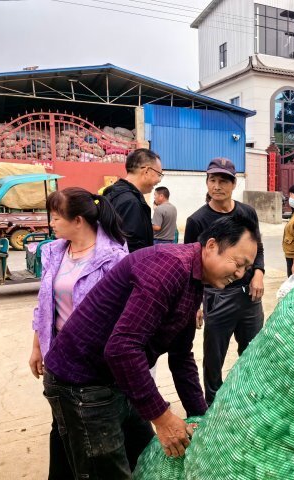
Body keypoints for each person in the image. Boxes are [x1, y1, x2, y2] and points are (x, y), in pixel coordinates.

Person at [42, 214, 259, 479]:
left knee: (141, 457)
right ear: (212, 246)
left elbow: (181, 357)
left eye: (246, 269)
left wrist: (200, 416)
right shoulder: (168, 268)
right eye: (238, 263)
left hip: (115, 379)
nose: (239, 274)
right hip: (82, 382)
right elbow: (122, 349)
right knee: (107, 469)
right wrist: (163, 417)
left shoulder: (193, 283)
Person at [29, 187, 128, 480]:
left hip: (92, 368)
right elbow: (44, 306)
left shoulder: (113, 259)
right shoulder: (55, 252)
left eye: (56, 218)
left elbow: (122, 318)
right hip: (58, 360)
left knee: (95, 447)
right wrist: (37, 346)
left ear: (79, 220)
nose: (51, 224)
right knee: (63, 432)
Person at [184, 158, 265, 406]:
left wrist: (259, 272)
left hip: (249, 295)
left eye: (223, 181)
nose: (217, 186)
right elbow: (192, 264)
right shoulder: (197, 220)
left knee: (252, 351)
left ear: (234, 183)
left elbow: (257, 246)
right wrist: (195, 303)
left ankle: (249, 398)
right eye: (213, 180)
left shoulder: (246, 213)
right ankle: (214, 406)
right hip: (217, 296)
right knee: (214, 357)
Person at [104, 148, 163, 252]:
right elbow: (132, 249)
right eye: (159, 174)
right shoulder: (130, 202)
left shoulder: (113, 193)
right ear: (147, 171)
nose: (159, 180)